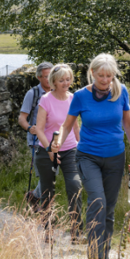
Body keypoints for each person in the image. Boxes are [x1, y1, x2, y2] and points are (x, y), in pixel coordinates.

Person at [53, 54, 130, 259]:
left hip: (115, 157)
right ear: (92, 73)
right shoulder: (81, 96)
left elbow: (128, 124)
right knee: (97, 202)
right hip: (87, 156)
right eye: (100, 75)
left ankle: (104, 257)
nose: (104, 79)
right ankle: (93, 258)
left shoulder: (121, 92)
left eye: (109, 76)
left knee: (109, 209)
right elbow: (67, 125)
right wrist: (58, 142)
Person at [34, 64, 82, 243]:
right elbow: (39, 129)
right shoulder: (46, 100)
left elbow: (75, 125)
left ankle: (76, 231)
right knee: (47, 191)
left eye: (68, 79)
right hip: (46, 149)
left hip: (70, 149)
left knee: (75, 185)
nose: (65, 83)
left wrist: (82, 146)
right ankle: (48, 232)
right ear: (53, 82)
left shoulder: (73, 99)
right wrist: (50, 150)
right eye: (61, 80)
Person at [18, 62, 53, 210]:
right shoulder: (33, 94)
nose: (49, 79)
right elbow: (21, 118)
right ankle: (45, 208)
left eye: (51, 75)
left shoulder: (58, 93)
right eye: (46, 76)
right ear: (39, 77)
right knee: (45, 175)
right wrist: (29, 128)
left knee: (51, 174)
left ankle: (34, 195)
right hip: (36, 141)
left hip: (54, 140)